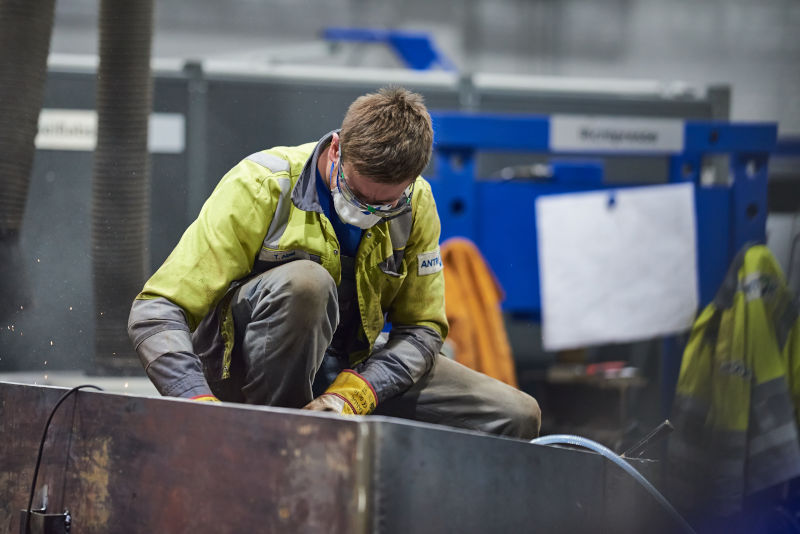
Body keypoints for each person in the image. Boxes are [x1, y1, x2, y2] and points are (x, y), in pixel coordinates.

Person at [127, 87, 541, 439]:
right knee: (307, 283)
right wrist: (195, 402)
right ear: (337, 148)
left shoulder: (416, 204)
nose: (367, 211)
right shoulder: (262, 185)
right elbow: (155, 311)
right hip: (241, 381)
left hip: (344, 373)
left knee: (515, 414)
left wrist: (356, 394)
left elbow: (422, 329)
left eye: (384, 204)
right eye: (357, 194)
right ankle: (284, 440)